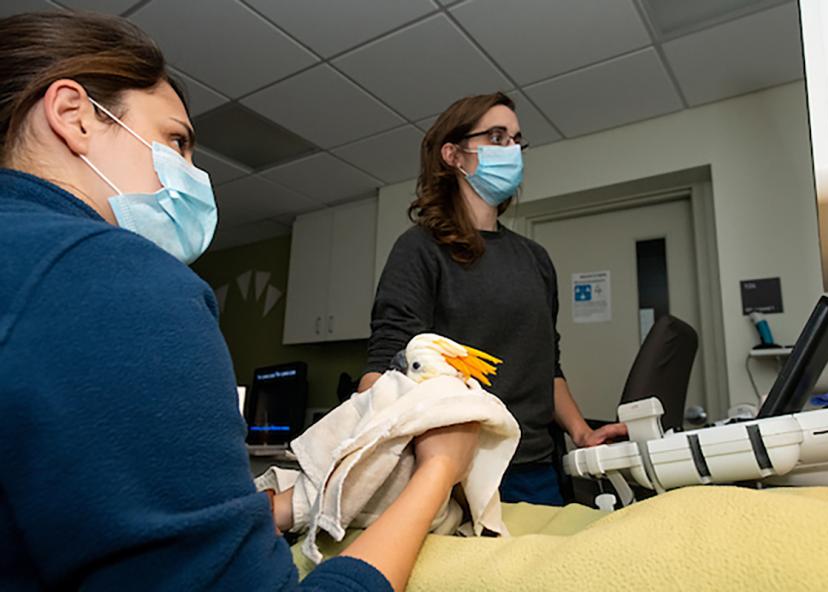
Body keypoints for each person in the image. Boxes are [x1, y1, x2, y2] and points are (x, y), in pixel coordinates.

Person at [0, 11, 479, 592]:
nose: (193, 174)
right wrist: (440, 469)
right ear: (73, 115)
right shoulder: (111, 275)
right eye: (176, 140)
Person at [360, 92, 627, 506]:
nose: (513, 150)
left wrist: (581, 432)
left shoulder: (534, 259)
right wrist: (359, 457)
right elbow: (386, 364)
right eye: (497, 137)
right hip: (458, 475)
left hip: (539, 467)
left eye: (517, 140)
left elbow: (546, 366)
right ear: (453, 154)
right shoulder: (420, 249)